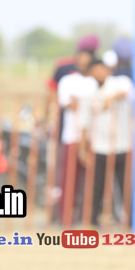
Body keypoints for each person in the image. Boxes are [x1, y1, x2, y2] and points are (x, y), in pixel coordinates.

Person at [86, 58, 133, 227]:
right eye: (95, 70)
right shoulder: (90, 93)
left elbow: (128, 91)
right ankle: (92, 220)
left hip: (122, 145)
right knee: (97, 186)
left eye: (101, 69)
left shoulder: (120, 82)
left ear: (108, 70)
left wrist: (111, 98)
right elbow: (85, 123)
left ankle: (131, 221)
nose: (99, 73)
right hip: (100, 146)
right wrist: (84, 148)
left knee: (125, 186)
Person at [55, 48, 98, 225]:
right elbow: (67, 104)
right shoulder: (67, 81)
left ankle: (86, 217)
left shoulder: (95, 82)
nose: (83, 64)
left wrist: (79, 102)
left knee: (89, 180)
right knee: (69, 179)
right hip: (72, 136)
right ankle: (66, 217)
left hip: (91, 138)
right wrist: (81, 103)